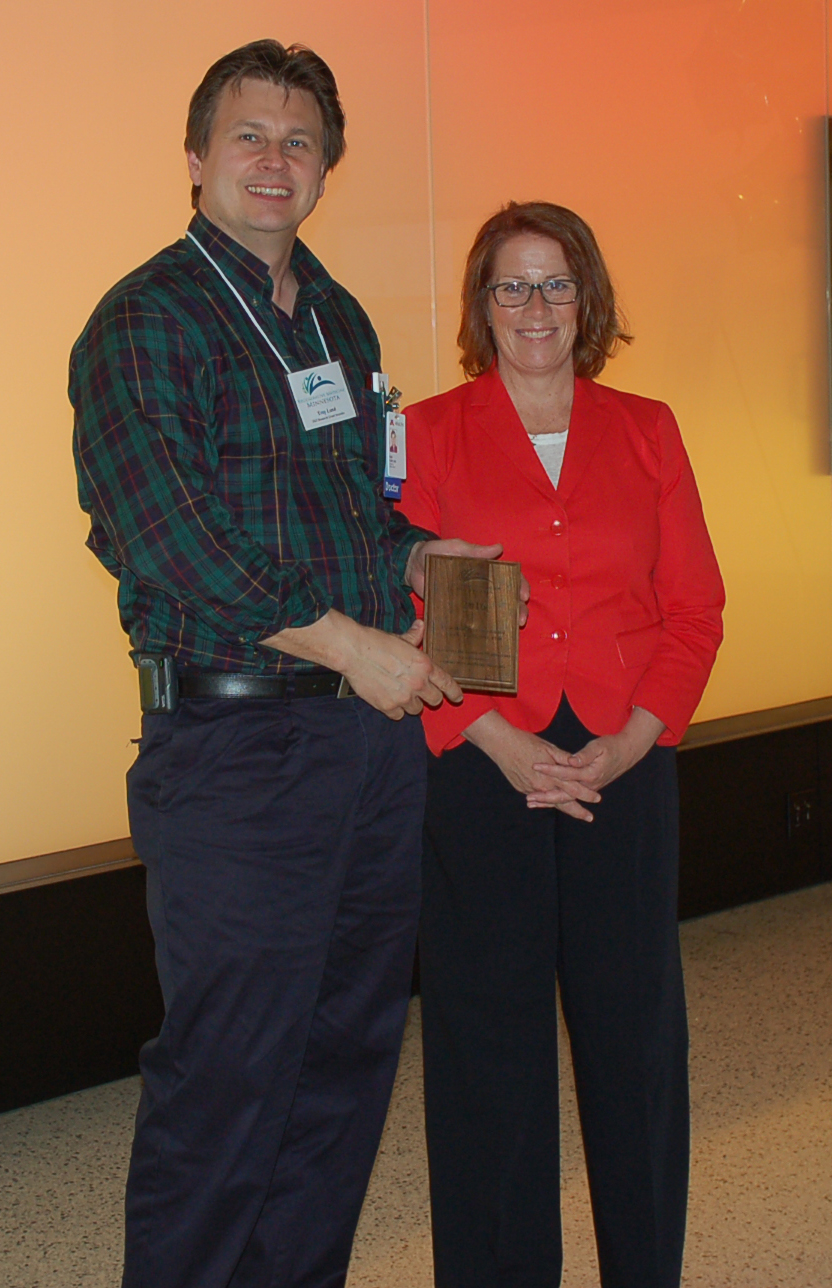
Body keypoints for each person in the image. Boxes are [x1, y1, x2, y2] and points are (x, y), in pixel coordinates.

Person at [70, 39, 506, 1288]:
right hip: (236, 750)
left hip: (364, 753)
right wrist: (350, 644)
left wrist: (418, 561)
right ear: (198, 158)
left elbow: (358, 510)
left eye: (300, 140)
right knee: (232, 1070)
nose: (276, 159)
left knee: (345, 1055)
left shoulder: (338, 315)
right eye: (250, 136)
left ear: (328, 166)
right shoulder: (143, 320)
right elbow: (164, 534)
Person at [400, 201, 725, 1288]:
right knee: (486, 1043)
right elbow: (419, 616)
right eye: (511, 285)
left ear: (585, 300)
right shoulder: (434, 432)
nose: (534, 306)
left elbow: (694, 610)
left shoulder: (648, 428)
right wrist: (493, 740)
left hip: (621, 762)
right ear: (480, 306)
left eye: (554, 284)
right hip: (484, 760)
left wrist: (632, 744)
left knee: (635, 1043)